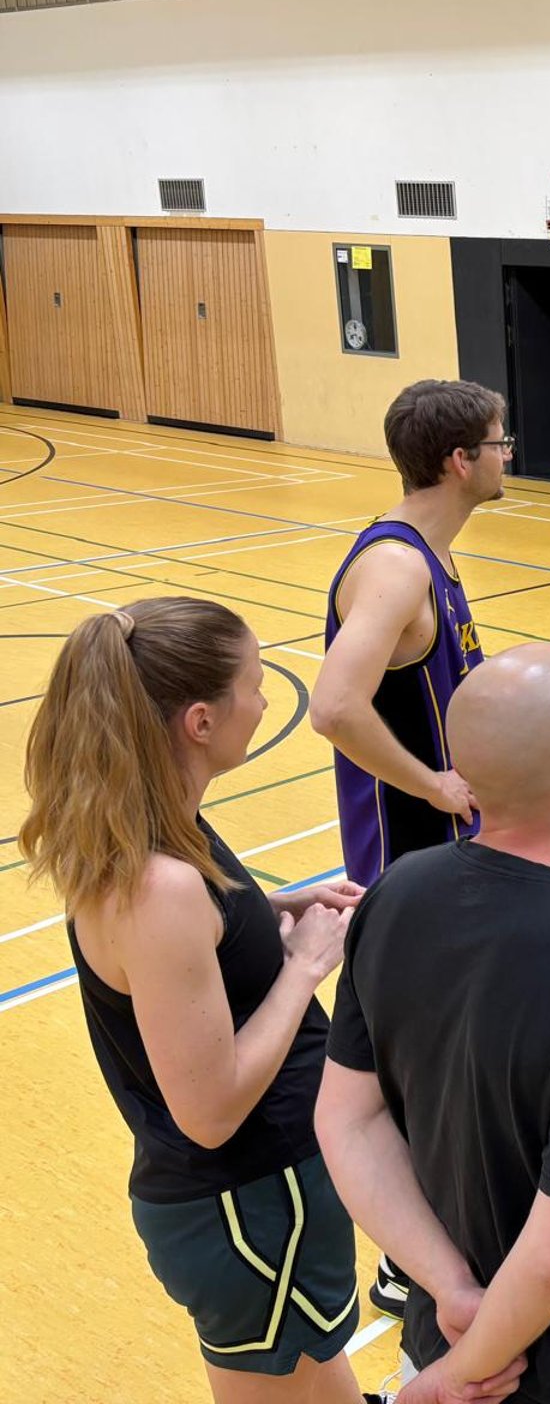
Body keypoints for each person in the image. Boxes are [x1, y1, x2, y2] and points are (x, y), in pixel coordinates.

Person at [315, 644, 550, 1404]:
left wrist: (452, 1295)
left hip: (441, 1333)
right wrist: (461, 1378)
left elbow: (345, 1122)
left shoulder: (394, 894)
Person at [18, 598, 366, 1404]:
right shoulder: (160, 882)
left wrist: (267, 912)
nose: (269, 698)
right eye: (254, 684)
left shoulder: (162, 828)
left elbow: (194, 943)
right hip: (247, 1210)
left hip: (262, 1199)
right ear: (202, 721)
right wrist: (304, 966)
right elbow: (208, 1110)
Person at [312, 377, 503, 1318]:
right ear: (460, 460)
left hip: (442, 865)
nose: (511, 456)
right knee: (417, 1082)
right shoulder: (394, 570)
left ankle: (408, 1254)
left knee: (438, 1072)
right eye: (501, 443)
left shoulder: (429, 556)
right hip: (408, 868)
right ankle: (404, 1264)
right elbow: (333, 704)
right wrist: (431, 784)